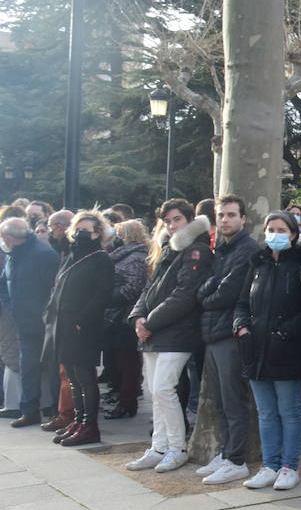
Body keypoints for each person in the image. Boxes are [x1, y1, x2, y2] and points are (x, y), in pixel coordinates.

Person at [126, 199, 213, 473]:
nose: (172, 225)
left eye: (176, 220)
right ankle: (159, 445)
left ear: (189, 219)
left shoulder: (196, 250)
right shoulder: (168, 248)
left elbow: (185, 295)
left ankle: (177, 447)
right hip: (156, 331)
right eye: (168, 221)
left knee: (164, 389)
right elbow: (150, 288)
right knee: (155, 391)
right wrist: (138, 316)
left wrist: (148, 321)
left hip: (178, 332)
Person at [234, 211, 301, 491]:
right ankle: (269, 465)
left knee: (289, 410)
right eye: (271, 229)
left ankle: (288, 466)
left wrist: (285, 332)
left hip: (288, 349)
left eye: (282, 229)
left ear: (293, 234)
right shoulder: (257, 263)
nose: (275, 234)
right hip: (256, 349)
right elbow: (242, 302)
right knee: (266, 412)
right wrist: (241, 327)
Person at [193, 195, 259, 485]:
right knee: (219, 401)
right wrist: (208, 292)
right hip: (213, 332)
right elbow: (205, 286)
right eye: (221, 215)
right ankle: (225, 451)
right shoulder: (221, 248)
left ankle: (236, 459)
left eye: (231, 215)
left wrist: (207, 294)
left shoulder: (247, 249)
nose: (225, 220)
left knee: (234, 401)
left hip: (230, 332)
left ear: (243, 218)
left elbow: (227, 293)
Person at [41, 211, 115, 446]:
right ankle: (79, 420)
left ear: (97, 233)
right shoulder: (71, 255)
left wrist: (81, 320)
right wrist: (50, 314)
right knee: (72, 377)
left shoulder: (100, 258)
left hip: (83, 327)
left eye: (87, 230)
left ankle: (90, 426)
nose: (81, 234)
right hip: (63, 324)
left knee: (85, 378)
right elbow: (58, 288)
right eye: (78, 229)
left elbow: (102, 294)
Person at [0, 216, 59, 427]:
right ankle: (29, 410)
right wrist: (11, 308)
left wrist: (45, 316)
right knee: (28, 367)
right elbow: (5, 285)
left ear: (7, 237)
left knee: (51, 368)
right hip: (23, 322)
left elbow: (54, 291)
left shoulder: (44, 254)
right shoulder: (14, 254)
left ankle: (55, 411)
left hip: (44, 323)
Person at [103, 220, 148, 420]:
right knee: (122, 362)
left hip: (125, 316)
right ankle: (125, 401)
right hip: (118, 314)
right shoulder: (124, 255)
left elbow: (134, 288)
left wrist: (106, 295)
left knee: (127, 363)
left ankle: (127, 403)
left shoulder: (136, 257)